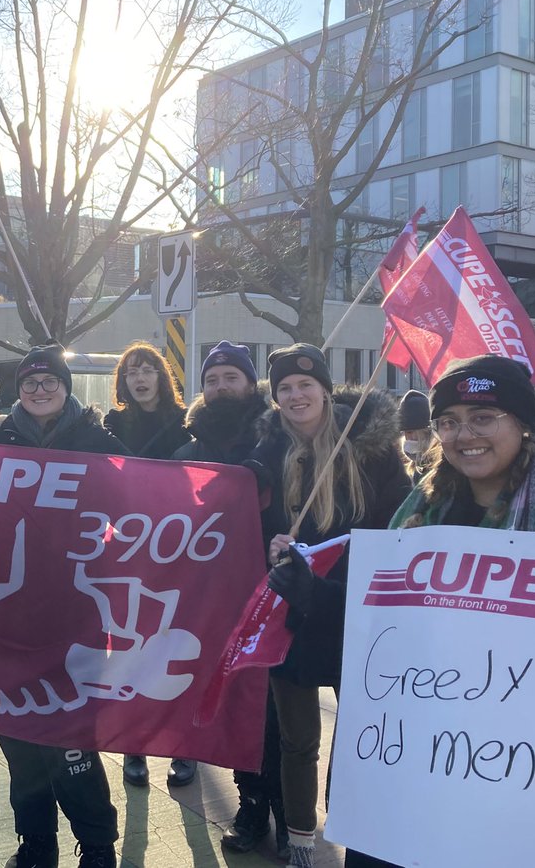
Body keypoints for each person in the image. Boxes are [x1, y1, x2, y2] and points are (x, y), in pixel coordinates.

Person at [347, 356, 535, 868]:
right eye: (449, 421)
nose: (464, 434)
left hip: (514, 766)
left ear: (523, 424)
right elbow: (380, 625)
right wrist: (309, 591)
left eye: (483, 417)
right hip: (416, 748)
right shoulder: (420, 509)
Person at [249, 344, 412, 868]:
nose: (296, 396)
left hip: (355, 615)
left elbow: (401, 528)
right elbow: (237, 531)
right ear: (275, 399)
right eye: (285, 389)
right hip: (288, 614)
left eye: (305, 385)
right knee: (297, 739)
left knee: (362, 732)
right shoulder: (263, 454)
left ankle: (356, 830)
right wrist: (267, 545)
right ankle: (300, 839)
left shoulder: (374, 450)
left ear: (324, 389)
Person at [0, 343, 130, 868]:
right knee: (20, 745)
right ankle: (36, 842)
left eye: (50, 382)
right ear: (18, 388)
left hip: (75, 615)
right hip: (2, 615)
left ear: (65, 388)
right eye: (30, 382)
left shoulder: (95, 440)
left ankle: (96, 845)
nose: (40, 390)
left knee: (72, 744)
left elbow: (135, 508)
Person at [170, 342, 286, 858]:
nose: (221, 387)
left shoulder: (281, 439)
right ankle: (251, 807)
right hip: (215, 601)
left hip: (276, 595)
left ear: (250, 384)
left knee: (281, 714)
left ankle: (290, 815)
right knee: (239, 706)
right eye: (212, 378)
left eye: (230, 378)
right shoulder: (187, 450)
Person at [102, 341, 194, 788]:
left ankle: (183, 745)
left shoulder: (187, 425)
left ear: (161, 376)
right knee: (129, 641)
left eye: (147, 370)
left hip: (180, 548)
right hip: (128, 549)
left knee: (177, 643)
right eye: (131, 371)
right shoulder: (111, 425)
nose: (139, 379)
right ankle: (133, 745)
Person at [397, 389, 430, 483]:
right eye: (406, 433)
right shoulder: (414, 464)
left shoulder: (436, 464)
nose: (408, 438)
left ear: (424, 431)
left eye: (410, 432)